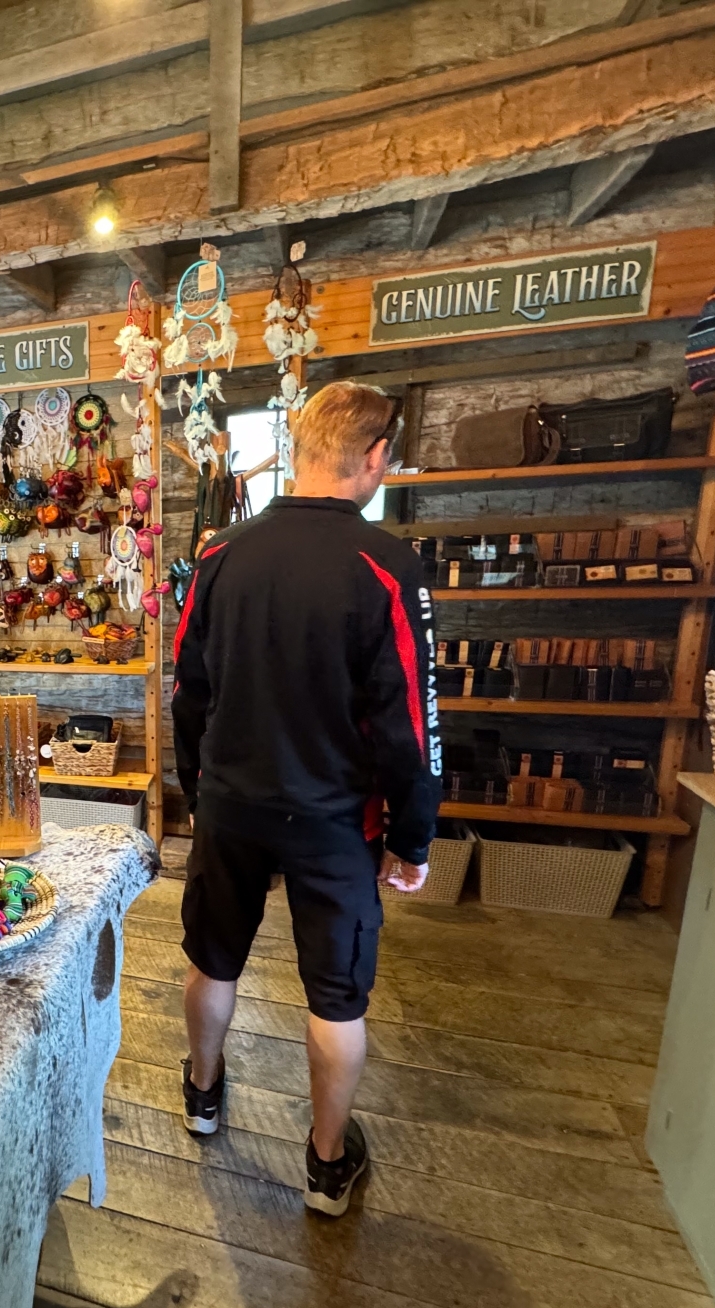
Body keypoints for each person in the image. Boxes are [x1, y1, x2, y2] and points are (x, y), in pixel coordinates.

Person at [171, 381, 440, 1218]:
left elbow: (187, 689)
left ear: (301, 448)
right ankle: (326, 1168)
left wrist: (196, 790)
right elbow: (410, 720)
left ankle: (203, 1096)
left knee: (213, 957)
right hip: (334, 818)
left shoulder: (221, 554)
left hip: (231, 803)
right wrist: (414, 836)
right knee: (337, 997)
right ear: (374, 456)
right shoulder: (386, 564)